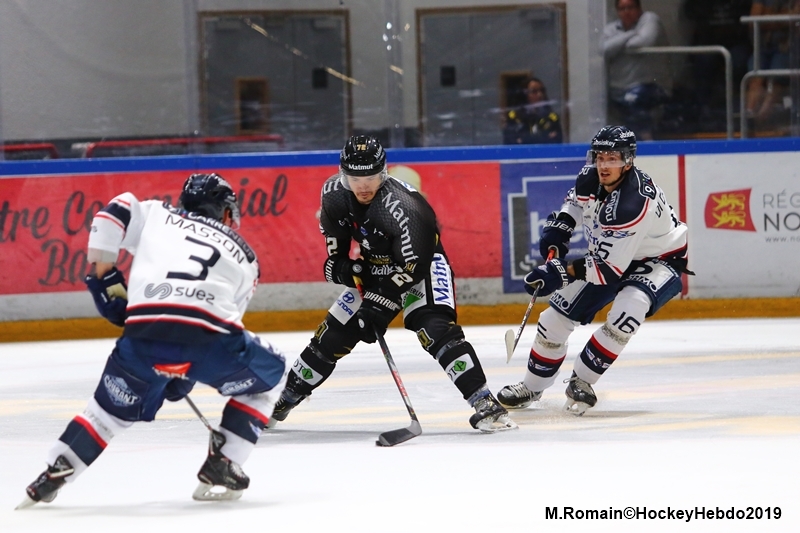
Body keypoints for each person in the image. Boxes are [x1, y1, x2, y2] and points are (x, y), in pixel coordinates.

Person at [17, 173, 288, 507]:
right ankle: (225, 462)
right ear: (224, 211)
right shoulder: (246, 256)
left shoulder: (157, 214)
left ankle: (59, 467)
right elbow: (227, 321)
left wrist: (102, 273)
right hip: (208, 336)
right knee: (268, 380)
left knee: (106, 414)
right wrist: (183, 373)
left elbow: (109, 215)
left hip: (143, 334)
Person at [268, 135, 516, 433]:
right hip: (376, 266)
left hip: (422, 266)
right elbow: (336, 253)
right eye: (355, 177)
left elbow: (414, 266)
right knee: (332, 336)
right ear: (342, 173)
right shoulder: (333, 194)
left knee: (435, 329)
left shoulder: (405, 206)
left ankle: (486, 403)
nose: (363, 185)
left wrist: (379, 304)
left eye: (371, 176)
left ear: (383, 172)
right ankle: (282, 400)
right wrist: (345, 268)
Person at [497, 125, 690, 416]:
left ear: (628, 160)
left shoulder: (632, 203)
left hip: (658, 259)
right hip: (611, 256)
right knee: (553, 321)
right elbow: (575, 204)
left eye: (612, 158)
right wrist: (561, 226)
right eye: (600, 157)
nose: (604, 165)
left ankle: (582, 381)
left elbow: (608, 272)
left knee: (630, 309)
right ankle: (532, 386)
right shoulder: (589, 177)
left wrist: (559, 273)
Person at [603, 0, 670, 140]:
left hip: (651, 85)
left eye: (630, 7)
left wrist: (618, 43)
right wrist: (632, 33)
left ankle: (649, 144)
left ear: (639, 8)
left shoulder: (650, 19)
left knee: (634, 101)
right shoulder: (611, 28)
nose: (626, 11)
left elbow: (640, 44)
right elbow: (604, 49)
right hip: (618, 89)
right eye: (622, 8)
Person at [744, 0, 800, 127]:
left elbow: (796, 22)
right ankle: (750, 114)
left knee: (778, 72)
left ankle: (763, 115)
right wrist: (785, 18)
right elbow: (754, 22)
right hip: (762, 47)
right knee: (755, 76)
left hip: (787, 49)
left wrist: (769, 18)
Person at [502, 77, 563, 144]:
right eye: (534, 91)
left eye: (542, 91)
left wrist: (525, 139)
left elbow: (557, 140)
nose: (540, 95)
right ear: (524, 94)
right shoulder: (514, 116)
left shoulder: (551, 117)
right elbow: (511, 141)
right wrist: (544, 137)